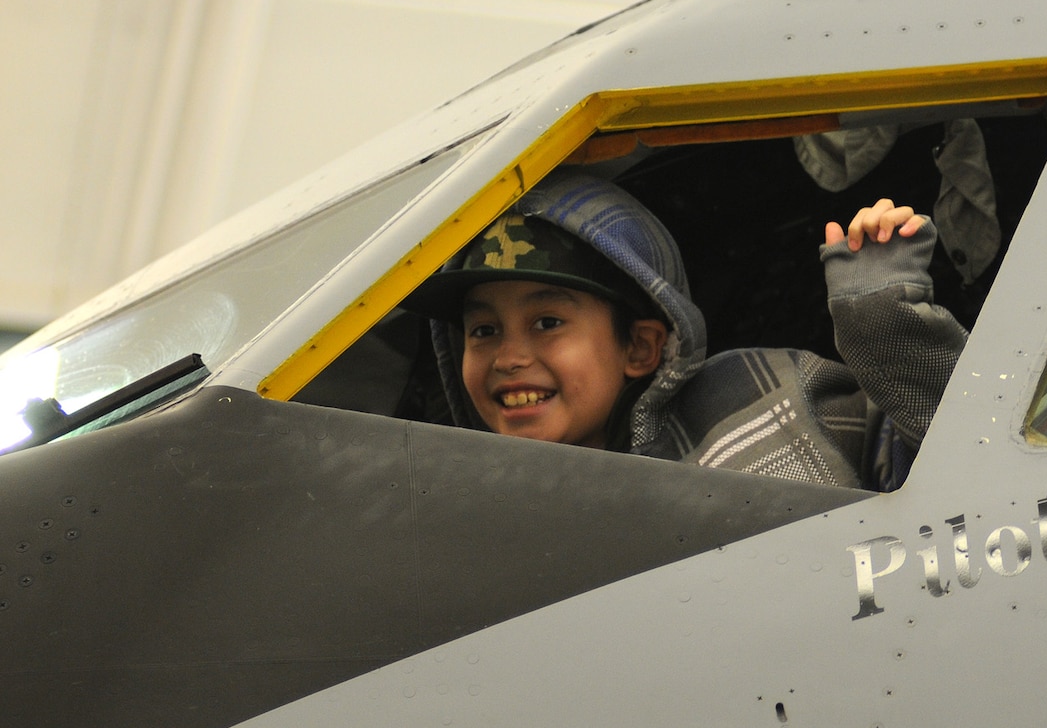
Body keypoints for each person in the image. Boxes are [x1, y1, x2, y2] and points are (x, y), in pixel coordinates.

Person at [404, 170, 964, 490]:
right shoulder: (479, 516)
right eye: (482, 331)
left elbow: (968, 470)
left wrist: (885, 324)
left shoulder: (767, 399)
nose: (508, 356)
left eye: (547, 322)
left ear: (643, 346)